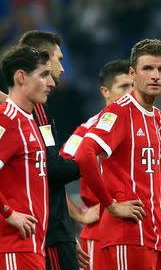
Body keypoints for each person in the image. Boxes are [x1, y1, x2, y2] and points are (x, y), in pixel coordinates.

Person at [74, 39, 161, 270]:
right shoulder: (119, 110)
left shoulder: (157, 116)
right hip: (127, 234)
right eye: (147, 69)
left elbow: (158, 165)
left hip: (153, 233)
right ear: (133, 73)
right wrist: (111, 204)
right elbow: (84, 153)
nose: (155, 75)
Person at [0, 45, 54, 269]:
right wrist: (9, 212)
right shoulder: (8, 117)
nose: (51, 83)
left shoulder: (28, 119)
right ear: (21, 77)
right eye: (44, 75)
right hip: (13, 246)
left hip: (29, 246)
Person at [19, 30, 92, 270]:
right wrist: (91, 159)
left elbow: (49, 174)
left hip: (53, 231)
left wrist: (68, 233)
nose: (62, 69)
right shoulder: (34, 109)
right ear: (42, 59)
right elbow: (52, 169)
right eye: (59, 60)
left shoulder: (33, 109)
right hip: (48, 233)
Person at [60, 59, 133, 270]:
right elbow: (50, 175)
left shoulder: (146, 126)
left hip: (139, 233)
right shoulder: (87, 131)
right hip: (101, 233)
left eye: (132, 86)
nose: (130, 92)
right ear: (105, 91)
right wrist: (79, 214)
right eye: (123, 86)